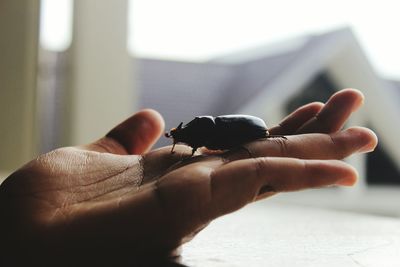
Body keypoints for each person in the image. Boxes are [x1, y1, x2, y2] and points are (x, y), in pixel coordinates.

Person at [0, 89, 377, 266]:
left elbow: (215, 141)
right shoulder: (199, 133)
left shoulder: (202, 134)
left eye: (181, 136)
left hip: (252, 132)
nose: (178, 139)